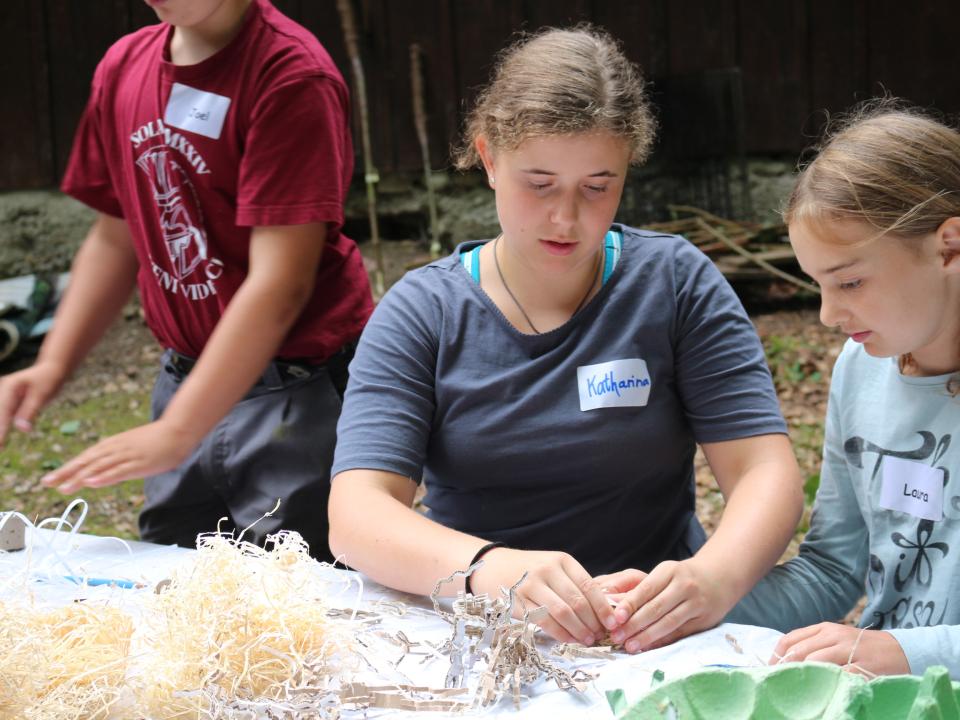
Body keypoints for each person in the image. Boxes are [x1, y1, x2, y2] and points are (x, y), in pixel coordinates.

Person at [328, 26, 802, 652]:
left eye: (597, 187)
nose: (565, 217)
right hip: (487, 631)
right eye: (540, 183)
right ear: (489, 159)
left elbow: (764, 469)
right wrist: (489, 569)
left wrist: (713, 578)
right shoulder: (423, 312)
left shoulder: (673, 282)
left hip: (652, 630)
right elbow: (357, 514)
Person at [0, 0, 373, 561]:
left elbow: (281, 284)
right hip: (182, 376)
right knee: (175, 577)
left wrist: (179, 430)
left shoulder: (292, 77)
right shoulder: (124, 66)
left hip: (297, 393)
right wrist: (52, 364)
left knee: (298, 587)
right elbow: (115, 236)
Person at [726, 102, 960, 677]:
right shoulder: (860, 368)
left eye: (850, 281)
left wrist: (907, 652)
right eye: (818, 286)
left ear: (950, 245)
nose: (829, 315)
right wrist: (698, 597)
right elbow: (832, 570)